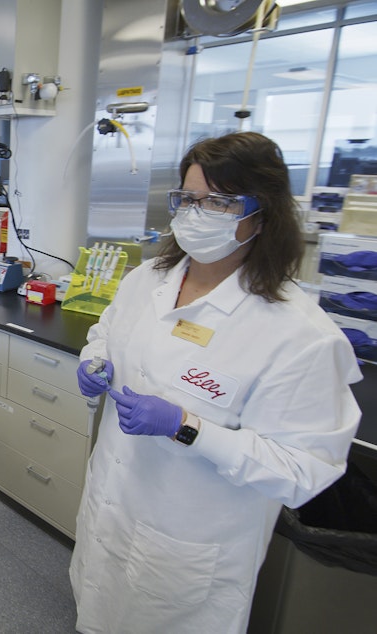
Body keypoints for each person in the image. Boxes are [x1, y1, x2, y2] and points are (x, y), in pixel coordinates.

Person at [70, 131, 361, 634]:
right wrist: (97, 360)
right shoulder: (148, 280)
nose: (196, 213)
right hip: (111, 510)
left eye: (220, 202)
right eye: (187, 199)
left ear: (263, 212)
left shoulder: (300, 334)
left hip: (190, 547)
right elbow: (106, 333)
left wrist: (188, 427)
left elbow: (304, 469)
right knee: (95, 612)